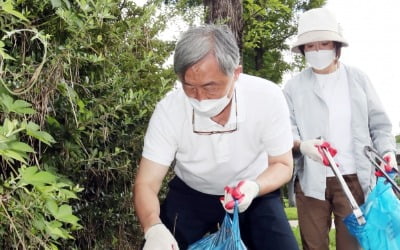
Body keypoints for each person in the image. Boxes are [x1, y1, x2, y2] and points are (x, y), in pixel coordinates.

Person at [133, 24, 299, 250]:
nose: (200, 97)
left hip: (252, 191)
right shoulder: (169, 110)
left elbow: (282, 164)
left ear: (236, 73)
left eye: (210, 87)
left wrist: (254, 187)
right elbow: (146, 183)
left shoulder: (267, 97)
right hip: (191, 193)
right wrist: (153, 227)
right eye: (189, 87)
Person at [283, 7, 397, 250]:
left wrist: (386, 152)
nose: (317, 51)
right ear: (303, 50)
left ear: (336, 46)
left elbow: (380, 125)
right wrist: (302, 145)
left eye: (323, 44)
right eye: (310, 46)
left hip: (354, 177)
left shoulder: (357, 79)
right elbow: (286, 131)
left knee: (352, 244)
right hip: (311, 180)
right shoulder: (293, 87)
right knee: (313, 244)